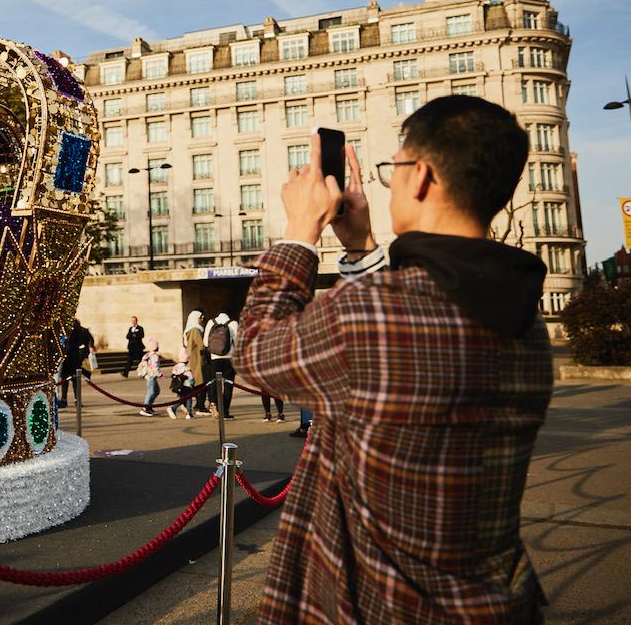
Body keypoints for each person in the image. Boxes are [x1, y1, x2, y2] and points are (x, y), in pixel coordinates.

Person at [235, 97, 552, 623]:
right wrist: (360, 247)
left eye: (395, 168)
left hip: (386, 604)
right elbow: (396, 348)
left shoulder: (372, 317)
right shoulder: (523, 318)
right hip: (490, 599)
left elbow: (254, 354)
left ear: (422, 177)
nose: (389, 182)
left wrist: (300, 234)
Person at [204, 312, 236, 419]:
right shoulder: (233, 323)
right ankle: (225, 411)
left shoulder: (211, 322)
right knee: (228, 385)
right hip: (229, 359)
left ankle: (214, 402)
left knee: (214, 382)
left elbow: (205, 343)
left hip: (215, 358)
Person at [57, 319, 92, 408]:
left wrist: (83, 355)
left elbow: (85, 342)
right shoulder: (63, 331)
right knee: (65, 380)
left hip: (74, 358)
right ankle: (64, 399)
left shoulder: (79, 331)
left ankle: (76, 400)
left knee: (75, 380)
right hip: (67, 359)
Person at [183, 310, 211, 415]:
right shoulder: (195, 330)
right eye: (200, 317)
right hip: (197, 360)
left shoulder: (190, 329)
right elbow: (201, 345)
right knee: (201, 384)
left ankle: (195, 404)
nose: (202, 319)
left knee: (196, 384)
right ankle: (201, 406)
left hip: (194, 359)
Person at [166, 346, 195, 419]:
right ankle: (185, 411)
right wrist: (192, 383)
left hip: (178, 386)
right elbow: (191, 378)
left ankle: (188, 412)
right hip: (186, 385)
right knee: (187, 399)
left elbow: (173, 375)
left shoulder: (176, 367)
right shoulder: (187, 369)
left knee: (183, 399)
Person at [136, 338, 161, 416]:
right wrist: (160, 375)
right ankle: (145, 408)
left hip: (149, 376)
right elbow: (155, 367)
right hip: (151, 376)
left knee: (156, 390)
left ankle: (149, 406)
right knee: (151, 392)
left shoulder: (147, 355)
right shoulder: (155, 357)